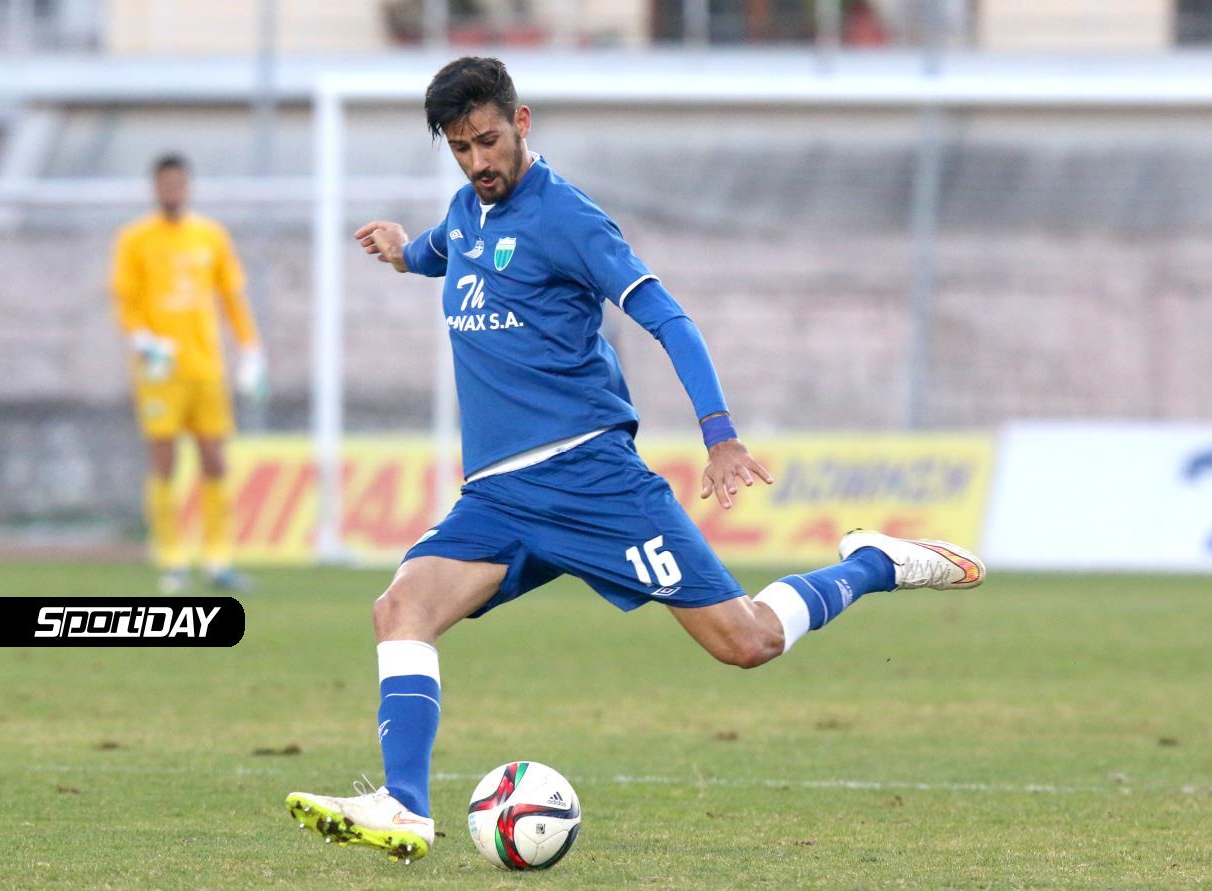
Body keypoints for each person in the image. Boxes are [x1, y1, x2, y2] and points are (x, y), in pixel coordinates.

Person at [285, 57, 984, 863]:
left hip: (590, 478)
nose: (478, 162)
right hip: (498, 497)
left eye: (488, 140)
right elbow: (449, 250)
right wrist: (404, 252)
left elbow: (668, 318)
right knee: (400, 608)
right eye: (460, 148)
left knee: (746, 641)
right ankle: (405, 804)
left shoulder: (569, 218)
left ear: (521, 122)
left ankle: (873, 563)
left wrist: (719, 432)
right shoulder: (466, 210)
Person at [110, 153, 266, 594]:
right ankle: (172, 559)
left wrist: (251, 349)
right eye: (165, 184)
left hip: (205, 366)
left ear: (188, 186)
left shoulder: (210, 236)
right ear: (155, 188)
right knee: (165, 461)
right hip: (159, 371)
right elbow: (125, 300)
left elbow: (231, 297)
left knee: (214, 460)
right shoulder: (134, 239)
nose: (172, 191)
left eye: (178, 184)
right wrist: (142, 340)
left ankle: (218, 559)